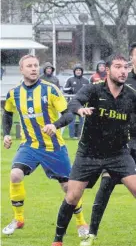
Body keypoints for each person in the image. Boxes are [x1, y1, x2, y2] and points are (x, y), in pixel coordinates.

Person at [50, 54, 136, 246]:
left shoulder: (133, 96)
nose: (123, 71)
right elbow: (74, 104)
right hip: (89, 153)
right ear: (108, 69)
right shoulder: (94, 90)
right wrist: (77, 112)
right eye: (118, 67)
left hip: (118, 153)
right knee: (72, 196)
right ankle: (57, 241)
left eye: (125, 68)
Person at [2, 55, 89, 237]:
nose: (34, 68)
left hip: (54, 147)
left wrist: (54, 125)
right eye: (29, 66)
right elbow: (8, 113)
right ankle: (18, 219)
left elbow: (68, 115)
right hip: (30, 146)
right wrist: (7, 134)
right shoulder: (14, 93)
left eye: (36, 65)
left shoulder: (50, 90)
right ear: (21, 70)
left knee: (68, 188)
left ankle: (81, 223)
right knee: (15, 174)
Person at [63, 64, 90, 139]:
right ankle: (72, 136)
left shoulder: (86, 81)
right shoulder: (70, 80)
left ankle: (80, 135)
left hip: (83, 104)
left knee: (83, 120)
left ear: (82, 71)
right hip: (73, 103)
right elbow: (65, 90)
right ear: (74, 71)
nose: (78, 72)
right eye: (77, 70)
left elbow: (90, 91)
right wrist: (71, 89)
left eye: (79, 70)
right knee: (72, 119)